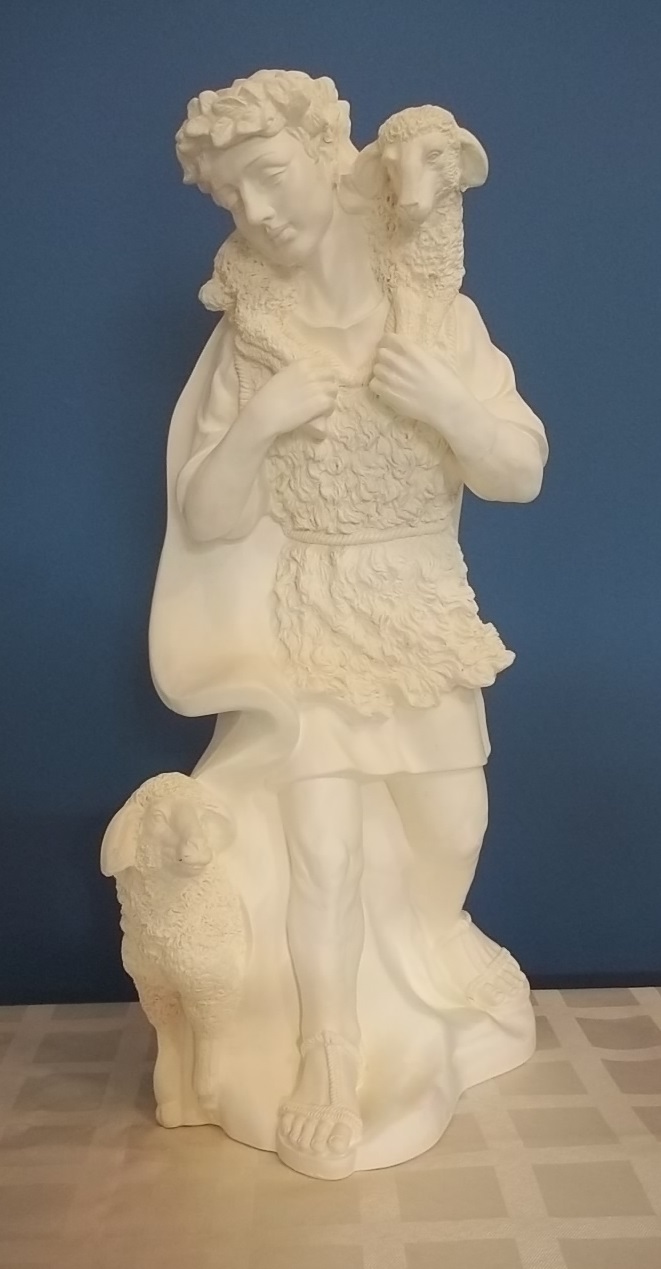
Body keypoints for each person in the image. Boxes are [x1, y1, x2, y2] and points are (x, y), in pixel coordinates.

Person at [150, 69, 548, 1178]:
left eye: (270, 175)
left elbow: (519, 469)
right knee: (320, 853)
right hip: (309, 611)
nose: (258, 211)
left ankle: (436, 946)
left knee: (451, 826)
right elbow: (207, 515)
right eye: (231, 197)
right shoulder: (252, 344)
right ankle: (327, 1049)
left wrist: (450, 406)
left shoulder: (434, 315)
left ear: (328, 158)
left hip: (419, 605)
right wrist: (259, 425)